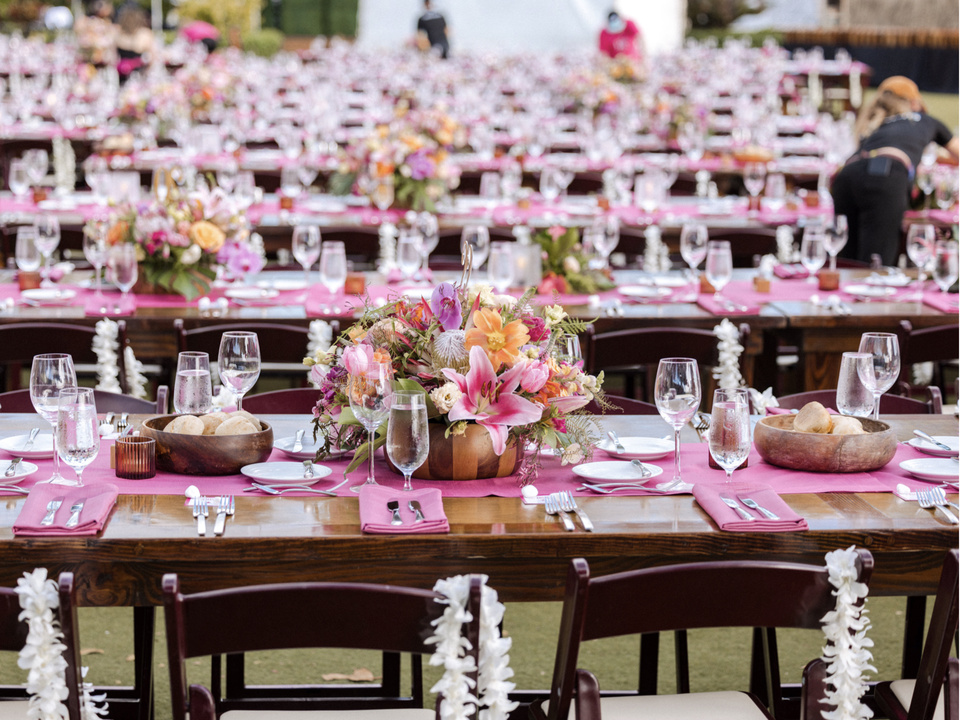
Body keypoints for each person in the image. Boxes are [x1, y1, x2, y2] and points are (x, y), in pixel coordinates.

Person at [831, 76, 958, 265]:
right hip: (885, 177)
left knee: (845, 261)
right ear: (914, 103)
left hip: (847, 175)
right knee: (875, 266)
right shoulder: (924, 120)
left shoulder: (877, 125)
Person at [114, 4, 155, 83]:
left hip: (123, 77)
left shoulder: (118, 35)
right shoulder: (145, 34)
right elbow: (151, 60)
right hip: (139, 78)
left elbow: (113, 59)